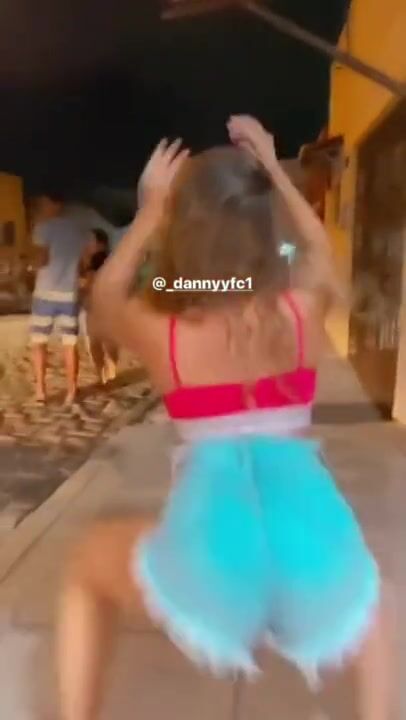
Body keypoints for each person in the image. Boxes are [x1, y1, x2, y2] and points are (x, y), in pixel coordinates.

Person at [57, 118, 392, 720]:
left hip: (214, 565)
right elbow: (320, 253)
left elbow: (105, 297)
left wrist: (151, 212)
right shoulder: (300, 310)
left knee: (89, 569)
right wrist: (275, 170)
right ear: (264, 231)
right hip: (309, 558)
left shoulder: (165, 331)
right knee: (376, 608)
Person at [30, 195, 87, 406]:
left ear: (54, 205)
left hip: (45, 293)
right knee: (69, 344)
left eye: (43, 203)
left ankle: (40, 391)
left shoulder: (43, 228)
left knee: (38, 343)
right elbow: (83, 261)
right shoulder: (78, 231)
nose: (41, 207)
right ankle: (71, 391)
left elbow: (42, 259)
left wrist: (31, 265)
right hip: (69, 293)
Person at [79, 228, 118, 384]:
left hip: (98, 305)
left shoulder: (100, 259)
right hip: (102, 305)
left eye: (91, 241)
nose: (88, 243)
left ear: (100, 243)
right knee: (103, 341)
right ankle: (108, 373)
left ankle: (105, 373)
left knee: (98, 342)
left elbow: (89, 282)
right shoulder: (109, 258)